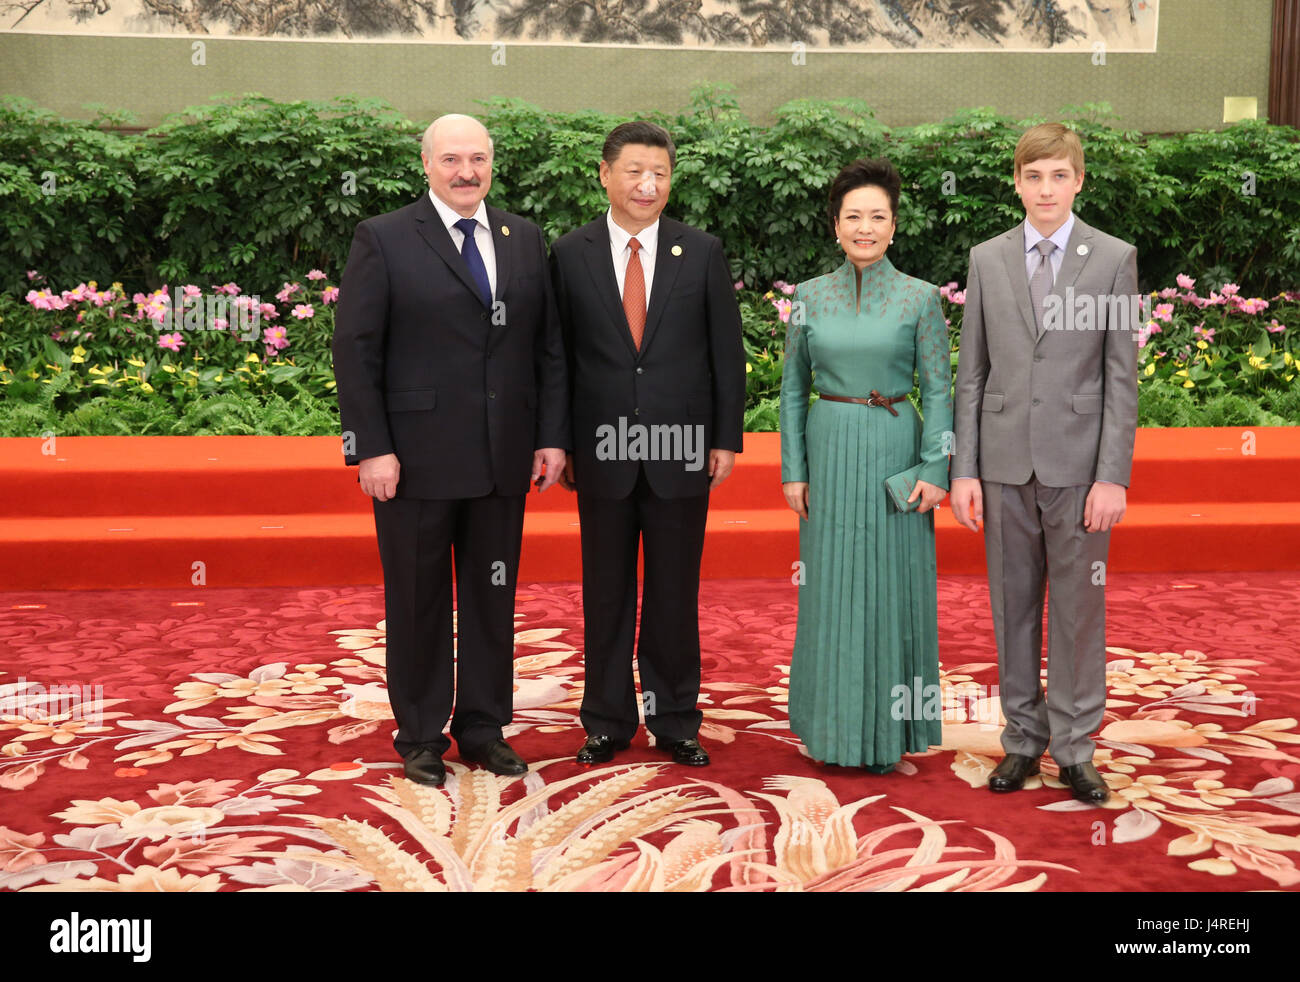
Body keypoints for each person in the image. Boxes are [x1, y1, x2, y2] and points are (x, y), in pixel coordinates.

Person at [332, 114, 570, 787]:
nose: (467, 172)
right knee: (419, 597)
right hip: (414, 458)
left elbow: (547, 346)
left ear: (493, 163)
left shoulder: (522, 238)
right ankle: (420, 733)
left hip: (503, 457)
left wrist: (551, 435)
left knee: (492, 597)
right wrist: (371, 447)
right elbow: (355, 349)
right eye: (452, 160)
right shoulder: (382, 237)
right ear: (426, 164)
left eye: (479, 159)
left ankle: (484, 727)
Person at [949, 122, 1138, 804]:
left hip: (1081, 468)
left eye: (1059, 175)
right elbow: (972, 374)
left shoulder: (1114, 258)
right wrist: (963, 470)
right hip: (1001, 466)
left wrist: (1113, 474)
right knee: (1013, 607)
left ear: (1078, 180)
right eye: (1034, 176)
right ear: (1018, 183)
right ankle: (1022, 744)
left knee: (1079, 611)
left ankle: (1077, 749)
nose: (1046, 188)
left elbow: (1122, 377)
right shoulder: (987, 258)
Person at [549, 120, 746, 768]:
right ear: (604, 174)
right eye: (634, 170)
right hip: (600, 449)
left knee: (672, 593)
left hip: (682, 448)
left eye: (659, 172)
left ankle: (675, 719)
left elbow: (725, 353)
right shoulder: (570, 253)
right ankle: (605, 720)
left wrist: (724, 437)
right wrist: (557, 440)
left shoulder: (703, 250)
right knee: (605, 592)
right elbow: (556, 356)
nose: (647, 184)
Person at [780, 158, 953, 773]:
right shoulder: (807, 297)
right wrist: (793, 469)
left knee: (891, 588)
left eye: (877, 216)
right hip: (827, 450)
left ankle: (888, 734)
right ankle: (828, 730)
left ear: (894, 226)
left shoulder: (921, 298)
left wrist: (937, 468)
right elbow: (793, 390)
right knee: (827, 590)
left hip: (895, 452)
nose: (865, 227)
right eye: (853, 215)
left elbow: (939, 390)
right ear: (835, 226)